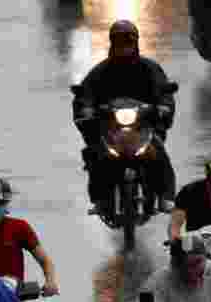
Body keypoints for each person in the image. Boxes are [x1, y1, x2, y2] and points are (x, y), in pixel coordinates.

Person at [73, 20, 178, 214]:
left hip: (142, 127)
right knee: (97, 155)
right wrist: (86, 109)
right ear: (112, 44)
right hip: (111, 129)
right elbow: (85, 94)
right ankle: (99, 199)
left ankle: (165, 197)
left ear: (135, 43)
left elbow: (164, 91)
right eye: (119, 42)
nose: (124, 47)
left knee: (158, 153)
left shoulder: (150, 69)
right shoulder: (100, 72)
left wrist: (163, 106)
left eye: (128, 42)